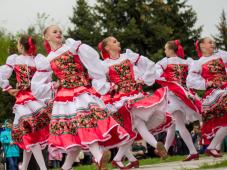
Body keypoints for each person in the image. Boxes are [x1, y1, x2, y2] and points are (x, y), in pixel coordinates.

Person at [31, 25, 131, 170]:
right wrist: (53, 85)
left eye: (60, 30)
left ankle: (75, 165)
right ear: (46, 37)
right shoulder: (47, 60)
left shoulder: (71, 48)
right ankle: (98, 158)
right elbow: (37, 87)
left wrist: (99, 79)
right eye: (55, 31)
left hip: (82, 92)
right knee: (80, 130)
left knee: (84, 128)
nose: (59, 33)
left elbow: (92, 60)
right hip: (65, 99)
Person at [98, 36, 173, 169]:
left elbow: (149, 64)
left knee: (134, 127)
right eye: (114, 41)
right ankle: (155, 146)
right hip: (121, 100)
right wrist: (111, 86)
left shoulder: (129, 56)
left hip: (136, 95)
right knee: (135, 126)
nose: (118, 42)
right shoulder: (104, 64)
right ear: (107, 48)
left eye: (117, 40)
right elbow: (97, 80)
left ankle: (120, 158)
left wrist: (143, 79)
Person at [0, 35, 51, 170]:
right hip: (35, 99)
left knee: (29, 135)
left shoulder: (16, 59)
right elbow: (46, 78)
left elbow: (2, 74)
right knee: (28, 135)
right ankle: (25, 167)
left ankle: (40, 168)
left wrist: (8, 88)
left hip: (25, 99)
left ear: (21, 46)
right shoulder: (38, 59)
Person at [155, 40, 201, 161]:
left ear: (171, 50)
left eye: (166, 49)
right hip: (184, 95)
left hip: (173, 96)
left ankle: (193, 151)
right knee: (171, 126)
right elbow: (193, 76)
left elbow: (156, 75)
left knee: (179, 124)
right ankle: (164, 151)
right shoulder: (187, 62)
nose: (164, 51)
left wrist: (163, 77)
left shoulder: (165, 62)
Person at [187, 37, 227, 158]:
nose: (212, 44)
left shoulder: (222, 55)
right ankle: (213, 147)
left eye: (212, 42)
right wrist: (205, 83)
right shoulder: (198, 63)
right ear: (202, 46)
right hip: (215, 93)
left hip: (224, 88)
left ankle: (213, 147)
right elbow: (190, 80)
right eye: (209, 42)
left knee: (224, 122)